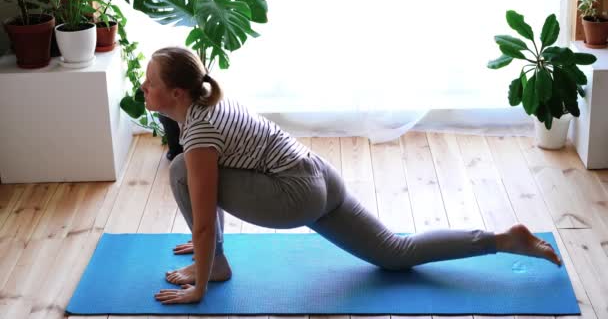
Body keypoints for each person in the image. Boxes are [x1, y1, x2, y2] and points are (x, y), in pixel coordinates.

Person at [144, 47, 562, 305]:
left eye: (150, 83)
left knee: (183, 169)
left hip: (295, 194)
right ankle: (503, 240)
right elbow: (211, 203)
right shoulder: (208, 103)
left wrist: (200, 280)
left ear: (176, 94)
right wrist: (206, 242)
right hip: (319, 176)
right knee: (394, 253)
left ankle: (215, 266)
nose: (144, 88)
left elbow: (202, 215)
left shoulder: (197, 133)